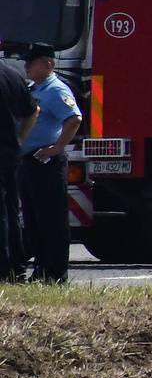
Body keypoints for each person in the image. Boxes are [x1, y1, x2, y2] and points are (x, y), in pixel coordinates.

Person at [20, 45, 80, 283]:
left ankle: (55, 273)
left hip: (47, 161)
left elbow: (74, 119)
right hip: (30, 160)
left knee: (51, 219)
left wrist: (57, 147)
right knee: (34, 219)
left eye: (31, 62)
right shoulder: (34, 89)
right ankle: (42, 270)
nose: (26, 66)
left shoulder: (56, 89)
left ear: (48, 64)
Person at [0, 54, 35, 280]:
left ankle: (3, 268)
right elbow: (32, 111)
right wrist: (20, 139)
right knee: (12, 209)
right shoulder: (14, 74)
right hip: (11, 153)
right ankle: (16, 267)